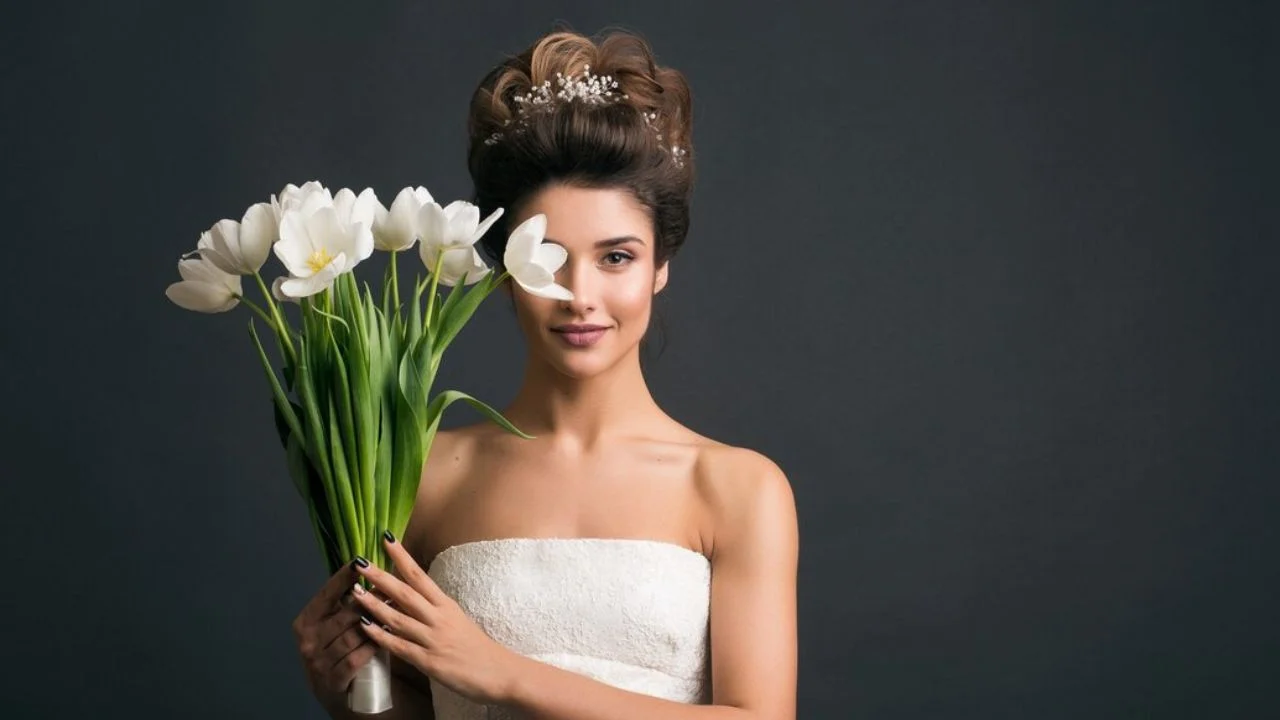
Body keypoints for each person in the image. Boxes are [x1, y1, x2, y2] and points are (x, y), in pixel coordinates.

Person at [293, 27, 799, 720]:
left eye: (615, 257)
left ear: (660, 267)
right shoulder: (424, 474)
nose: (580, 293)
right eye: (547, 256)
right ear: (502, 271)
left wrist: (501, 672)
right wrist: (348, 693)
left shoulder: (737, 489)